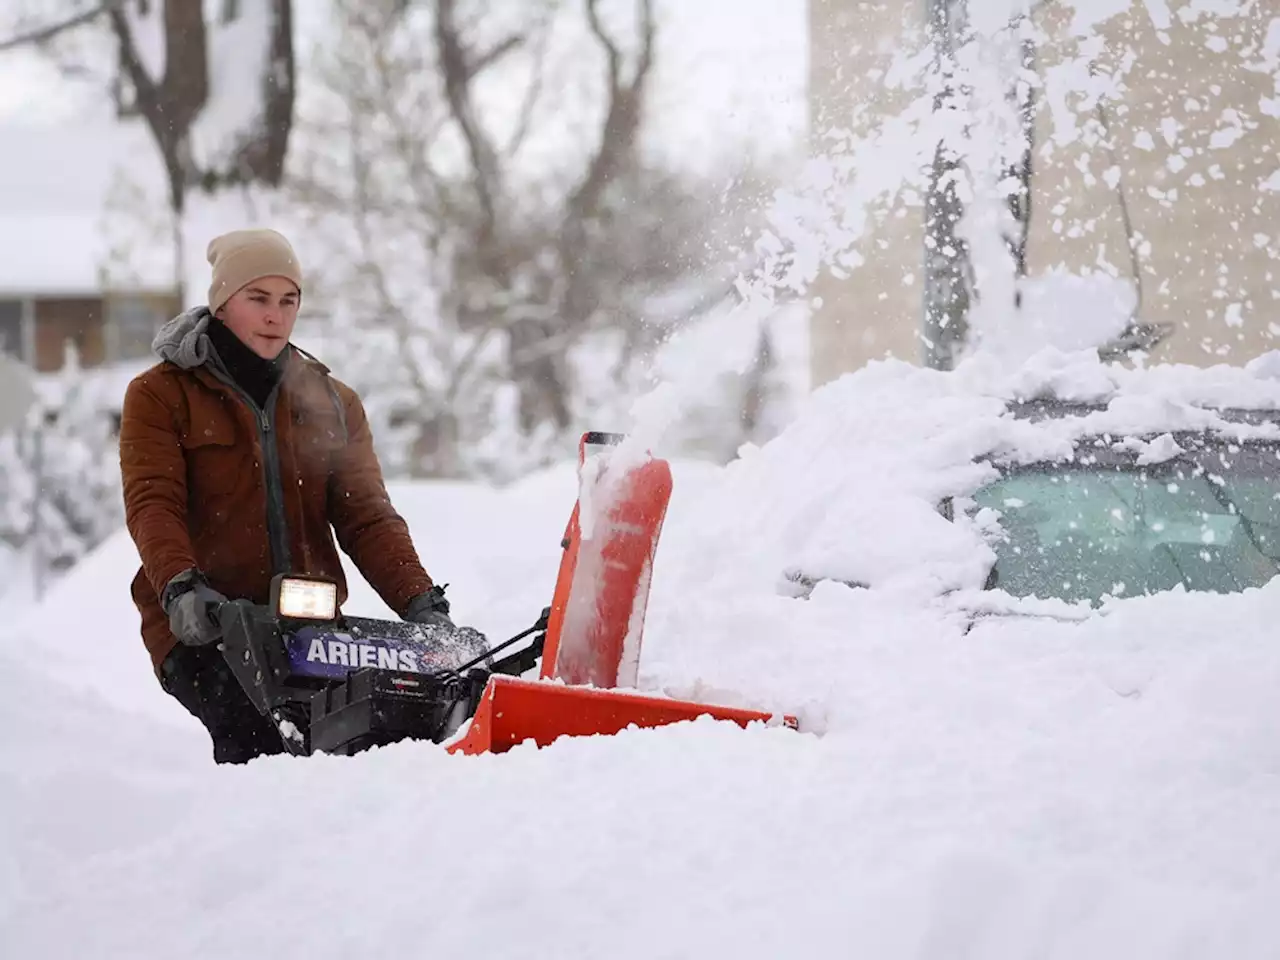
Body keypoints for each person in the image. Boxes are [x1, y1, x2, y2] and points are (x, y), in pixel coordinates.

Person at [119, 228, 455, 764]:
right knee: (259, 750)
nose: (275, 315)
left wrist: (420, 602)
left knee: (359, 745)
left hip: (310, 630)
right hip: (206, 626)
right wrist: (181, 588)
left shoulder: (331, 401)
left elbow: (366, 517)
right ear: (223, 303)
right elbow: (152, 504)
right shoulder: (161, 395)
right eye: (258, 299)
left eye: (288, 300)